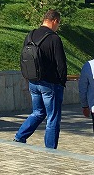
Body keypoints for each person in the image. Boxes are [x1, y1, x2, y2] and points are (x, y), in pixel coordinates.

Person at [13, 9, 67, 148]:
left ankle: (20, 137)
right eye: (58, 23)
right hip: (50, 84)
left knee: (37, 112)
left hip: (33, 81)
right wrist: (61, 82)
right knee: (52, 117)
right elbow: (61, 64)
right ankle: (50, 149)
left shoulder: (30, 35)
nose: (58, 26)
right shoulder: (54, 38)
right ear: (55, 21)